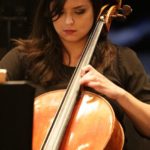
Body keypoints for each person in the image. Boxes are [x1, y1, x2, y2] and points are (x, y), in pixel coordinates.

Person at [0, 0, 150, 148]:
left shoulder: (123, 60)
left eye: (79, 12)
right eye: (58, 12)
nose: (69, 21)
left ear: (96, 11)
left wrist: (120, 95)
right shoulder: (23, 57)